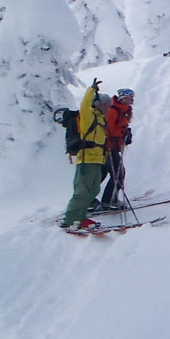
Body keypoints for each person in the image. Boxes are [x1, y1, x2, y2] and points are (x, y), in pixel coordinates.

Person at [62, 79, 109, 229]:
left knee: (94, 189)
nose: (108, 108)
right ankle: (71, 219)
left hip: (97, 160)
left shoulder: (101, 119)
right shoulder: (89, 116)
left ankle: (81, 217)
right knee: (82, 191)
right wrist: (91, 90)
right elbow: (84, 106)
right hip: (86, 159)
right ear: (99, 104)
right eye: (106, 105)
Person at [99, 87, 134, 209]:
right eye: (126, 98)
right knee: (118, 174)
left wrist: (125, 134)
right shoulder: (113, 110)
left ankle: (96, 199)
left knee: (105, 173)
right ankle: (109, 200)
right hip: (108, 147)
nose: (129, 100)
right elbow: (109, 130)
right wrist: (122, 133)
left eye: (130, 98)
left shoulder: (122, 110)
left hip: (111, 146)